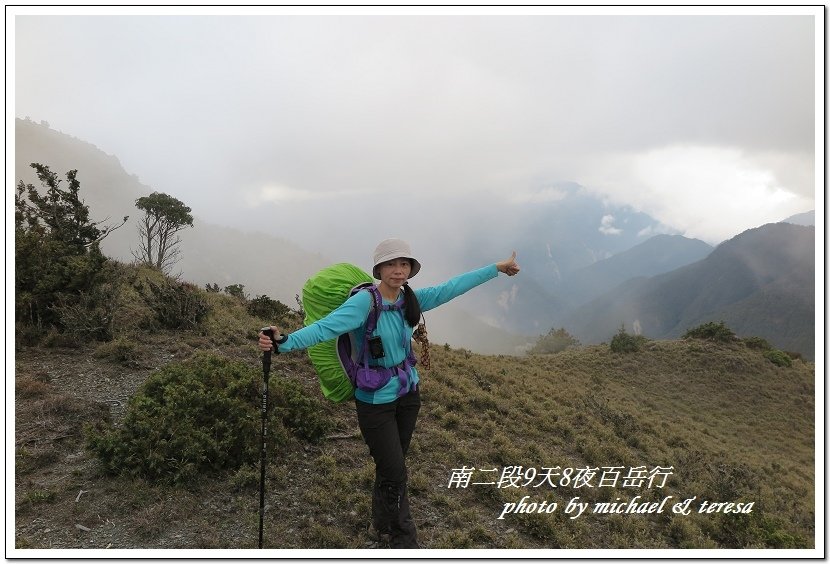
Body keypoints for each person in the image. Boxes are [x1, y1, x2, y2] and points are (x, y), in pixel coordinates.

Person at [258, 238, 520, 549]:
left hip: (408, 395)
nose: (398, 270)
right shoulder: (364, 303)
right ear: (379, 269)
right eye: (391, 265)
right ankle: (404, 542)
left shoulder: (410, 300)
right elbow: (325, 328)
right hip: (375, 403)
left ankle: (380, 525)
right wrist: (283, 342)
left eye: (404, 265)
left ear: (410, 269)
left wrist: (496, 269)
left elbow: (452, 287)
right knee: (395, 472)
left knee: (391, 467)